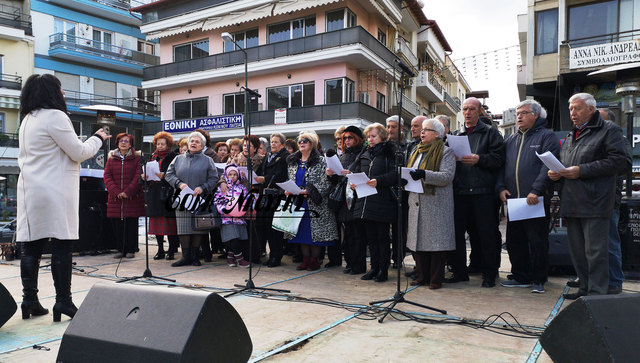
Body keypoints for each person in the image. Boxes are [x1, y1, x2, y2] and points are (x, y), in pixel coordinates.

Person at [17, 74, 109, 322]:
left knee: (31, 246)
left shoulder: (27, 119)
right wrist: (98, 138)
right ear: (51, 92)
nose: (64, 94)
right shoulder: (56, 116)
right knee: (61, 244)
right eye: (60, 89)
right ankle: (63, 302)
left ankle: (30, 300)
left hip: (30, 189)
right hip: (54, 188)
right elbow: (79, 152)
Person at [548, 93, 630, 299]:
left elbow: (621, 162)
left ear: (591, 109)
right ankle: (584, 289)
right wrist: (556, 174)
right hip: (572, 201)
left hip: (596, 202)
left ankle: (596, 294)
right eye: (570, 109)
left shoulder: (609, 130)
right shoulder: (571, 135)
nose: (572, 113)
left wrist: (581, 170)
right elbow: (566, 165)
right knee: (578, 252)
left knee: (596, 253)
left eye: (577, 108)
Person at [497, 99, 560, 293]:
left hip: (535, 200)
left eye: (523, 113)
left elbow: (547, 166)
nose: (519, 116)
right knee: (515, 242)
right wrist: (500, 188)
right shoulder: (511, 140)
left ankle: (539, 280)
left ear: (535, 115)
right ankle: (521, 276)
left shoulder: (547, 136)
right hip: (515, 200)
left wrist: (536, 190)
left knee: (537, 242)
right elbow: (501, 166)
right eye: (517, 113)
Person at [449, 97, 505, 287]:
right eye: (465, 109)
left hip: (484, 193)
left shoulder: (491, 133)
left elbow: (499, 160)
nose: (468, 112)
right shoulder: (456, 134)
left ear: (479, 111)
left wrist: (479, 159)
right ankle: (459, 271)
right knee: (457, 234)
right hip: (460, 192)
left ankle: (489, 273)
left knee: (486, 235)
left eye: (472, 109)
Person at [406, 118, 456, 289]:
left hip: (436, 204)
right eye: (422, 130)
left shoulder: (446, 152)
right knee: (418, 244)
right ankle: (422, 276)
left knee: (436, 245)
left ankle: (435, 279)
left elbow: (447, 176)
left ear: (437, 134)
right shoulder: (416, 151)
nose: (422, 132)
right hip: (416, 200)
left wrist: (423, 174)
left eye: (426, 130)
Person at [285, 131, 338, 270]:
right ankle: (305, 260)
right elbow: (291, 179)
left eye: (305, 140)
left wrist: (311, 191)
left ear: (312, 143)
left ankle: (314, 260)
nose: (301, 143)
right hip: (297, 201)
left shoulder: (321, 160)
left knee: (314, 233)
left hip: (315, 202)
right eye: (300, 141)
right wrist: (288, 189)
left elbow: (327, 182)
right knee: (301, 232)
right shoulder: (292, 161)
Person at [351, 123, 397, 282]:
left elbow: (396, 174)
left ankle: (383, 270)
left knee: (382, 238)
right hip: (365, 200)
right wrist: (354, 182)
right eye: (368, 136)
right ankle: (374, 268)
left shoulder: (390, 152)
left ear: (382, 136)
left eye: (374, 136)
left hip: (382, 200)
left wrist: (379, 181)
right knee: (371, 238)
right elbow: (356, 171)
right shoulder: (365, 153)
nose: (370, 139)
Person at [165, 131, 219, 267]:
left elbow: (214, 178)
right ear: (188, 144)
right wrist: (179, 184)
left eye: (197, 142)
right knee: (183, 229)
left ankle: (195, 256)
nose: (193, 143)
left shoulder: (208, 160)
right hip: (181, 199)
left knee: (198, 228)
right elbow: (169, 175)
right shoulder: (178, 159)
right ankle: (185, 256)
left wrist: (203, 187)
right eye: (191, 141)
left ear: (202, 146)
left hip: (200, 199)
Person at [327, 126, 367, 273]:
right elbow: (336, 180)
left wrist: (350, 174)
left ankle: (358, 265)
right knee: (349, 234)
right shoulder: (343, 155)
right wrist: (331, 174)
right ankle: (350, 263)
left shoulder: (363, 153)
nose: (347, 140)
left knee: (357, 234)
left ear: (357, 138)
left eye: (350, 137)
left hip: (356, 198)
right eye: (344, 138)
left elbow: (365, 175)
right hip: (343, 199)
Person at [104, 133, 145, 259]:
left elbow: (138, 176)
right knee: (117, 225)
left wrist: (127, 192)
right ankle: (120, 249)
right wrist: (116, 192)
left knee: (131, 224)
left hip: (131, 198)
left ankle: (131, 249)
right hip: (115, 199)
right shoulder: (111, 158)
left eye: (127, 141)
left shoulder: (137, 159)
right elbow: (107, 176)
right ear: (117, 143)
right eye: (121, 140)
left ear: (131, 144)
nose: (123, 143)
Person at [598, 108, 625, 295]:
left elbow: (620, 165)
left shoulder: (615, 138)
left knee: (609, 241)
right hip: (589, 200)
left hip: (608, 199)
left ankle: (615, 280)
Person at [143, 131, 179, 261]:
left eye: (163, 144)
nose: (160, 146)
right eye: (158, 144)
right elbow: (145, 174)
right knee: (156, 224)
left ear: (168, 145)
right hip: (154, 193)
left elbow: (177, 175)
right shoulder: (152, 157)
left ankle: (171, 250)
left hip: (167, 193)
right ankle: (160, 249)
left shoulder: (174, 157)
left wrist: (164, 176)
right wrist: (144, 177)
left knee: (170, 224)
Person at [256, 133, 289, 267]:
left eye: (276, 142)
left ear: (282, 144)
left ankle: (276, 257)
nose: (273, 144)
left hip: (277, 195)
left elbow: (282, 175)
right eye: (272, 141)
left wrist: (266, 179)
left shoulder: (285, 156)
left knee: (275, 229)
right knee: (267, 227)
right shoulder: (268, 156)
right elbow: (260, 171)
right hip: (266, 196)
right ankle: (271, 256)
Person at [215, 164, 250, 267]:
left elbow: (247, 199)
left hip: (239, 218)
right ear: (226, 175)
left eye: (235, 174)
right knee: (233, 237)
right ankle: (240, 259)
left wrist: (245, 207)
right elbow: (217, 201)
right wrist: (222, 210)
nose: (233, 176)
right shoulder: (223, 188)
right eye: (230, 174)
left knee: (237, 237)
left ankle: (230, 258)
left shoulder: (242, 188)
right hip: (227, 218)